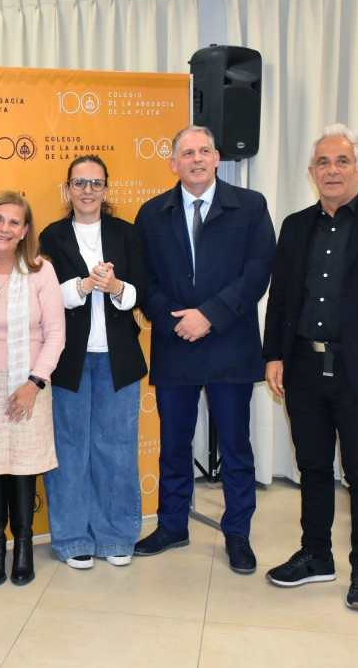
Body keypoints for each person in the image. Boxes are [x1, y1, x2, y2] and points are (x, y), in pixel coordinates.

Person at [262, 124, 358, 611]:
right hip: (304, 368)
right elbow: (282, 299)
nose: (332, 171)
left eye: (342, 161)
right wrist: (273, 355)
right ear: (312, 173)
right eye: (323, 163)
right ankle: (316, 555)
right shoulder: (294, 226)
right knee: (311, 464)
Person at [133, 125, 275, 573]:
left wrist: (209, 315)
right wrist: (176, 318)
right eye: (186, 153)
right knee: (173, 445)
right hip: (175, 343)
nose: (196, 159)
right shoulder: (152, 212)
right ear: (173, 162)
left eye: (204, 151)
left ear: (217, 158)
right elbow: (143, 281)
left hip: (230, 342)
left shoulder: (250, 206)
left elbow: (258, 272)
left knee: (235, 445)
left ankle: (238, 533)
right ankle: (172, 524)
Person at [38, 154, 148, 570]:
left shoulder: (127, 233)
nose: (87, 190)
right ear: (67, 190)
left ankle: (117, 535)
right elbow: (46, 298)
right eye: (79, 183)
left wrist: (118, 287)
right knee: (69, 448)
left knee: (117, 448)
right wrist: (83, 286)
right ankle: (70, 538)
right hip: (68, 360)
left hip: (118, 359)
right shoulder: (50, 236)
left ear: (107, 189)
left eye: (95, 183)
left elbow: (144, 295)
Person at [0, 191, 65, 586]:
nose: (4, 228)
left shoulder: (42, 271)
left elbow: (55, 334)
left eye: (14, 222)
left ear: (25, 230)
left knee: (24, 469)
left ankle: (23, 546)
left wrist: (34, 383)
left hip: (31, 383)